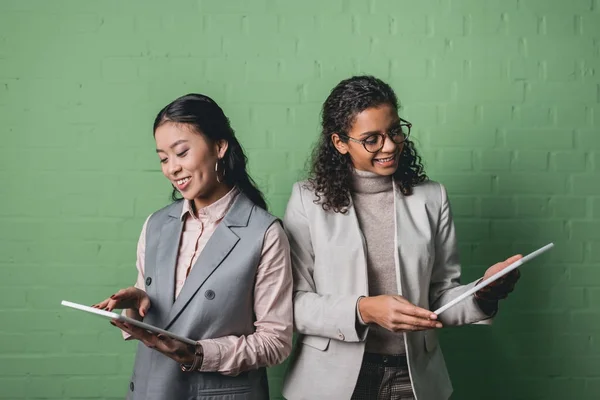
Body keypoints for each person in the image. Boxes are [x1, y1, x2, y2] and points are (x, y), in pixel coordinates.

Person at [281, 76, 521, 400]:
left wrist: (483, 294)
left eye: (394, 130)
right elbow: (293, 304)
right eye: (371, 139)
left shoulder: (432, 198)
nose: (390, 145)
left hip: (413, 378)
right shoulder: (306, 201)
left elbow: (437, 298)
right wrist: (364, 310)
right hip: (331, 382)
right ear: (340, 142)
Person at [93, 93, 293, 400]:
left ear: (219, 146)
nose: (172, 168)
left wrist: (198, 354)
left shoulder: (264, 232)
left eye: (181, 152)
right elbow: (164, 316)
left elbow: (275, 342)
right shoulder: (156, 225)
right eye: (163, 158)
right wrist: (137, 301)